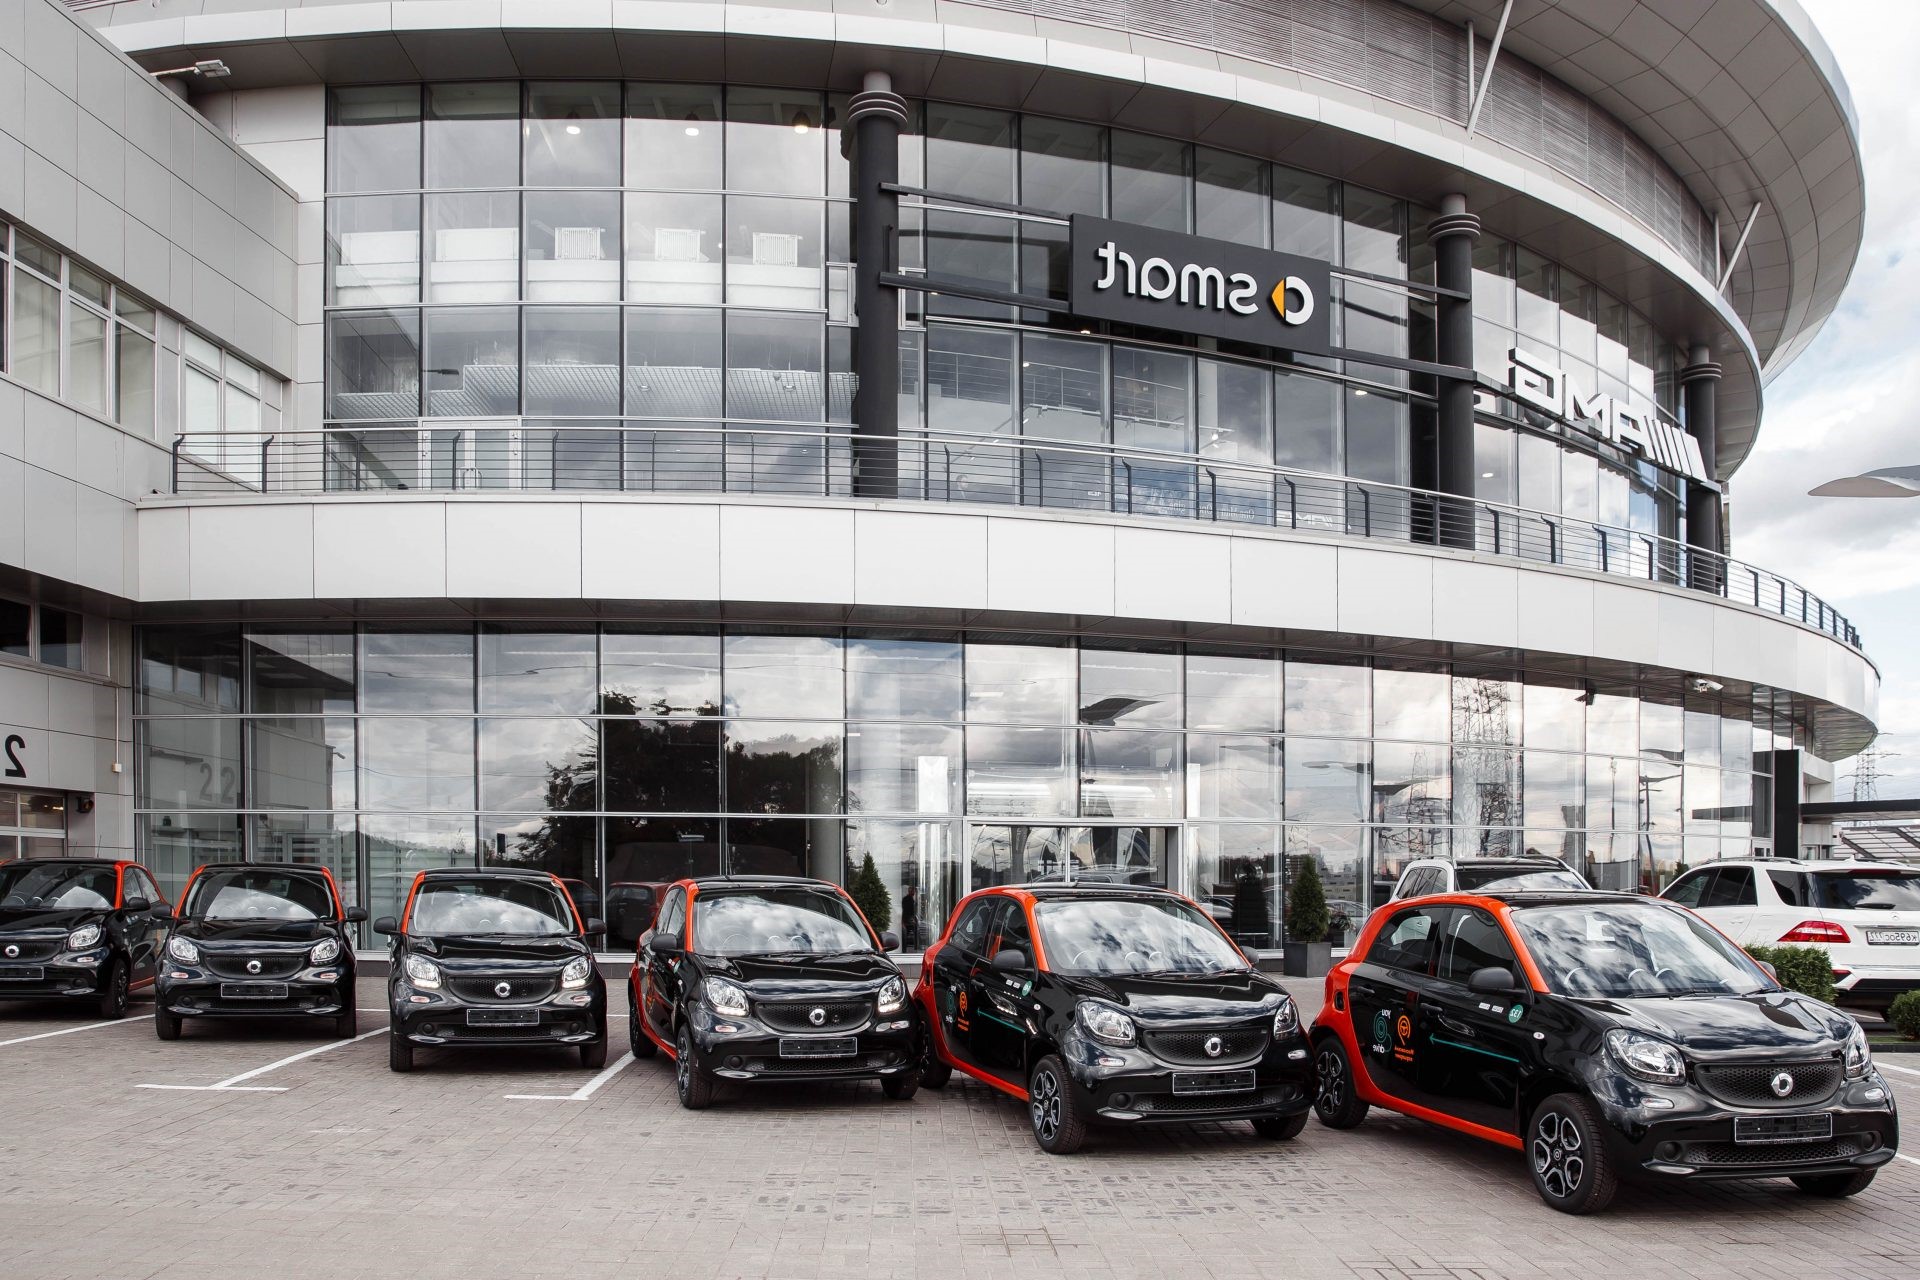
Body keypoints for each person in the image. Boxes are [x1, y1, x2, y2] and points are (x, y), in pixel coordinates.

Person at [901, 885, 920, 950]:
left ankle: (907, 948)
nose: (914, 892)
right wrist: (912, 919)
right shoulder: (909, 899)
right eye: (913, 891)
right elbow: (908, 910)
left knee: (908, 934)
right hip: (909, 919)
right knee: (912, 933)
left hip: (908, 919)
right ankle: (914, 947)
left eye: (914, 891)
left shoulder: (909, 899)